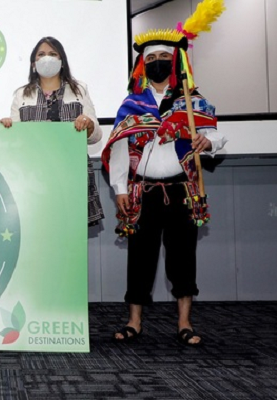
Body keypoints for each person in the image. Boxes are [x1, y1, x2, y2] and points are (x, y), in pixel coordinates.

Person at [101, 1, 226, 346]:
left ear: (175, 62)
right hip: (142, 192)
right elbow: (120, 148)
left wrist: (207, 142)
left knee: (183, 256)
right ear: (143, 64)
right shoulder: (131, 104)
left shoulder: (192, 101)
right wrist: (119, 188)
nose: (157, 63)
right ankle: (134, 322)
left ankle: (184, 323)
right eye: (152, 58)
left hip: (183, 191)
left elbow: (215, 137)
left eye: (163, 58)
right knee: (140, 257)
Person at [0, 36, 104, 226]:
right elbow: (15, 140)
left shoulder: (79, 90)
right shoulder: (22, 94)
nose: (47, 58)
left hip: (72, 174)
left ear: (62, 61)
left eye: (53, 54)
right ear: (33, 63)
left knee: (72, 232)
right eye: (41, 54)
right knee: (39, 231)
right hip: (34, 177)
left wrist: (89, 125)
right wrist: (7, 128)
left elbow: (96, 136)